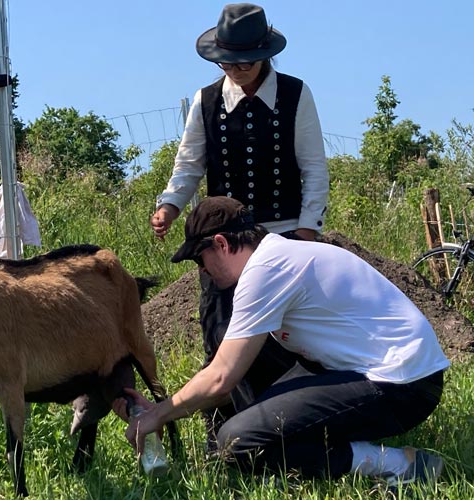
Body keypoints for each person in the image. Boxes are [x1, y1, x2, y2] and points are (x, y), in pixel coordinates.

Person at [120, 196, 449, 491]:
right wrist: (162, 410)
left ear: (221, 243)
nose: (202, 270)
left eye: (199, 259)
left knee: (238, 441)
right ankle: (302, 455)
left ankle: (399, 465)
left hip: (404, 384)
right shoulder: (278, 255)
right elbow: (225, 374)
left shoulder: (266, 270)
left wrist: (159, 415)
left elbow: (221, 378)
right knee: (248, 393)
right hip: (378, 369)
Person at [151, 2, 330, 433]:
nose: (235, 70)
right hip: (223, 245)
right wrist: (170, 205)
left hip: (282, 239)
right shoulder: (206, 101)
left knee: (283, 341)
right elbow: (189, 165)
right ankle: (223, 433)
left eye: (244, 62)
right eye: (227, 62)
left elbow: (314, 168)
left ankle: (288, 427)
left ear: (265, 55)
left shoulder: (295, 94)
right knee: (220, 334)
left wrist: (306, 230)